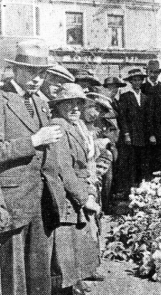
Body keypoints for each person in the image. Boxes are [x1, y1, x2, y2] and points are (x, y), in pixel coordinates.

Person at [0, 39, 63, 295]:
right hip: (12, 200)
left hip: (41, 199)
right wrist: (33, 141)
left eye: (42, 73)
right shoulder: (2, 101)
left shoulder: (40, 102)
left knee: (39, 274)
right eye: (30, 71)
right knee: (14, 276)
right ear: (14, 70)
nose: (37, 79)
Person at [46, 83, 101, 295]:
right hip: (66, 200)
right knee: (65, 259)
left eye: (79, 103)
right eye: (69, 103)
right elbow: (64, 169)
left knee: (74, 257)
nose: (75, 108)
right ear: (58, 105)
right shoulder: (59, 126)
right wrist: (84, 197)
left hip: (76, 194)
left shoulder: (72, 125)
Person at [117, 68, 150, 187]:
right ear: (131, 82)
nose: (137, 82)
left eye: (139, 80)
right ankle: (130, 188)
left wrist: (150, 134)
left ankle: (142, 187)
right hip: (131, 135)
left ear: (142, 81)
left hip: (143, 135)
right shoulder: (125, 96)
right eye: (134, 80)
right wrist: (126, 134)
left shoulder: (145, 98)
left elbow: (148, 118)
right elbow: (123, 117)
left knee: (142, 162)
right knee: (131, 162)